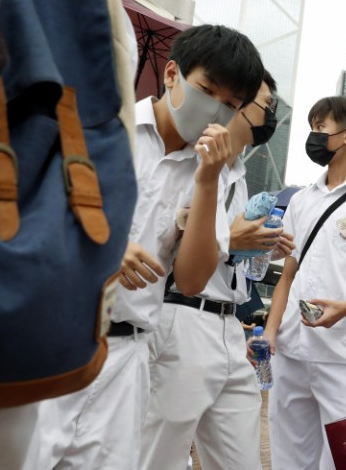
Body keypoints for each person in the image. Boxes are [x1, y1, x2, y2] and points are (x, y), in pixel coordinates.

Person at [36, 24, 264, 469]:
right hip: (53, 337)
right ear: (172, 74)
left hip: (127, 356)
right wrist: (102, 249)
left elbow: (193, 277)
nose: (215, 110)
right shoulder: (101, 123)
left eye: (231, 105)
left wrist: (206, 181)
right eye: (207, 90)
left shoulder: (210, 171)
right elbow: (28, 212)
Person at [140, 71, 294, 470]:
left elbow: (229, 252)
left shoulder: (239, 173)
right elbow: (170, 241)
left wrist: (250, 244)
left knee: (241, 460)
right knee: (159, 456)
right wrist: (230, 236)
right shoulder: (192, 160)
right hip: (184, 314)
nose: (268, 115)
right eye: (264, 105)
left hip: (228, 323)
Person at [262, 96, 346, 470]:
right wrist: (270, 333)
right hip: (292, 351)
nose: (314, 135)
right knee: (289, 459)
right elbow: (287, 276)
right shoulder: (301, 201)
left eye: (321, 127)